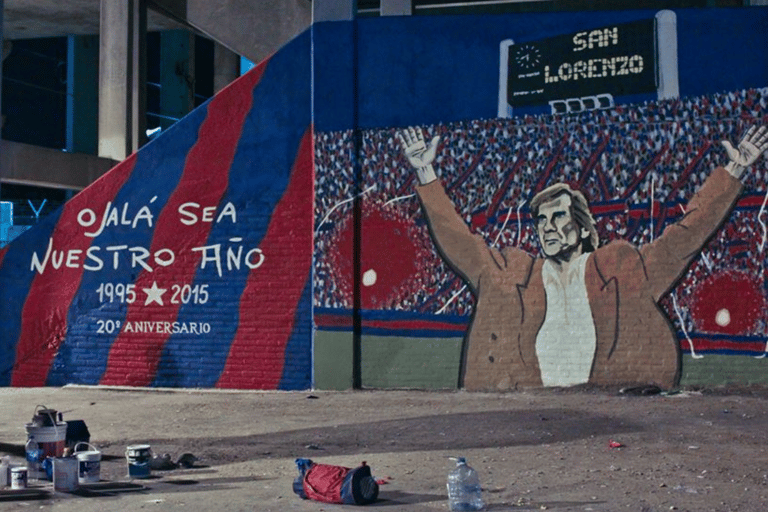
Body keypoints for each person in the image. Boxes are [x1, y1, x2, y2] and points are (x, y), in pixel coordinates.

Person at [398, 125, 768, 390]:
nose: (548, 227)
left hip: (607, 412)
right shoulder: (513, 273)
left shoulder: (621, 268)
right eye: (541, 220)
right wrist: (425, 172)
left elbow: (683, 238)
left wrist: (734, 170)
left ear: (582, 226)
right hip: (530, 413)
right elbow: (459, 241)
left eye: (558, 216)